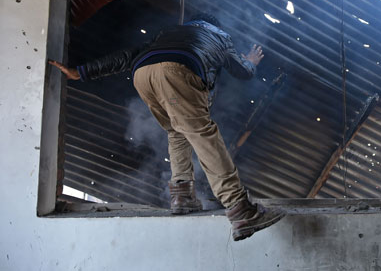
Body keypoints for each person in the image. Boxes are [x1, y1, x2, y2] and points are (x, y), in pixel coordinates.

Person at [49, 14, 285, 241]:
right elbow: (241, 71)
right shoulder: (220, 36)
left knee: (177, 131)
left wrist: (81, 72)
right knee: (203, 133)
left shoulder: (169, 32)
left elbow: (128, 55)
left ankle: (182, 197)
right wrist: (251, 63)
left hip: (143, 75)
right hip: (177, 72)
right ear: (214, 25)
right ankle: (240, 209)